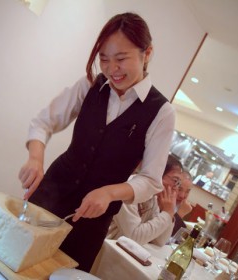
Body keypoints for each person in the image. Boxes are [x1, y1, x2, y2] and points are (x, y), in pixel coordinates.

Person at [18, 12, 175, 272]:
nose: (111, 69)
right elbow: (43, 122)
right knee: (16, 260)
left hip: (92, 219)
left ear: (147, 53)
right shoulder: (91, 84)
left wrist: (110, 192)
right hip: (51, 193)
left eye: (121, 59)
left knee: (63, 275)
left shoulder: (162, 112)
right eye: (104, 58)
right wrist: (35, 157)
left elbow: (150, 180)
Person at [107, 155, 182, 246]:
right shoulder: (130, 188)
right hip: (103, 247)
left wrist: (167, 212)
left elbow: (159, 241)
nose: (176, 188)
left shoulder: (153, 196)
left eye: (178, 183)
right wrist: (167, 213)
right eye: (175, 180)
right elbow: (134, 237)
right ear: (158, 174)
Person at [172, 170, 193, 236]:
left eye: (187, 191)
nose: (182, 195)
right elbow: (163, 235)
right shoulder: (161, 200)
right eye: (179, 189)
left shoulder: (181, 205)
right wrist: (180, 214)